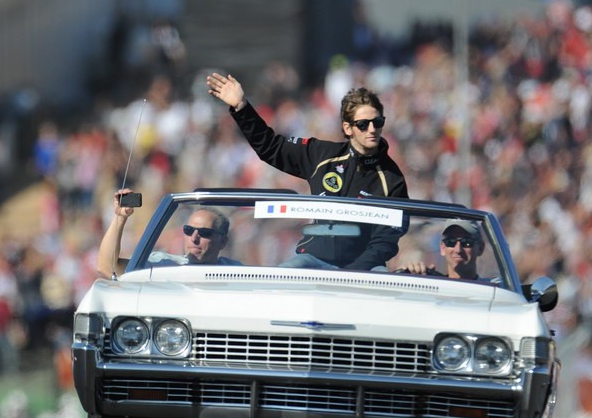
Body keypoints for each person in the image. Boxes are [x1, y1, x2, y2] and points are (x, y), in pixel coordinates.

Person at [206, 72, 408, 271]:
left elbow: (385, 241)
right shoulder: (322, 154)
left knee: (382, 278)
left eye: (377, 122)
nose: (372, 129)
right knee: (280, 280)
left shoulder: (392, 178)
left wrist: (352, 272)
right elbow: (270, 147)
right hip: (314, 260)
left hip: (365, 268)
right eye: (363, 124)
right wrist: (241, 107)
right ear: (348, 128)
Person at [97, 189, 239, 278]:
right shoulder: (164, 265)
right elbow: (108, 268)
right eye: (188, 231)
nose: (194, 238)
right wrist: (120, 218)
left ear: (223, 242)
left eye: (205, 232)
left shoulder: (236, 273)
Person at [398, 221, 487, 280]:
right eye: (451, 242)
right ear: (442, 248)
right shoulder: (431, 286)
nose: (458, 249)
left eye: (466, 242)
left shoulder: (491, 289)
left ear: (480, 248)